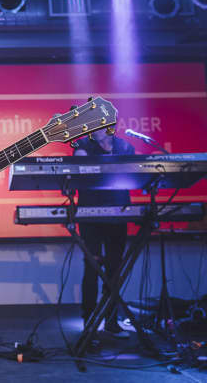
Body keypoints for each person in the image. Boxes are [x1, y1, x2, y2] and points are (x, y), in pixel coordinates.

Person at [73, 128, 135, 339]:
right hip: (90, 215)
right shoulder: (83, 146)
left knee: (115, 269)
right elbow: (79, 168)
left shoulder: (124, 146)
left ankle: (111, 320)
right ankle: (89, 319)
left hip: (118, 212)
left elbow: (133, 172)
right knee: (92, 266)